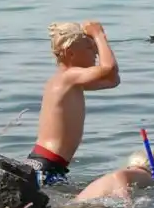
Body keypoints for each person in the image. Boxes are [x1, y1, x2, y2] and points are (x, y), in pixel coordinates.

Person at [29, 20, 119, 186]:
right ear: (70, 53)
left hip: (47, 165)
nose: (96, 53)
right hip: (47, 166)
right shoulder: (69, 77)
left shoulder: (68, 82)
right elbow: (109, 69)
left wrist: (96, 41)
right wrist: (99, 35)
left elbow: (113, 79)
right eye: (90, 48)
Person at [73, 148, 154, 204]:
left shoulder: (134, 174)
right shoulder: (145, 175)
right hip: (84, 203)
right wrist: (123, 190)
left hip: (78, 201)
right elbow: (119, 174)